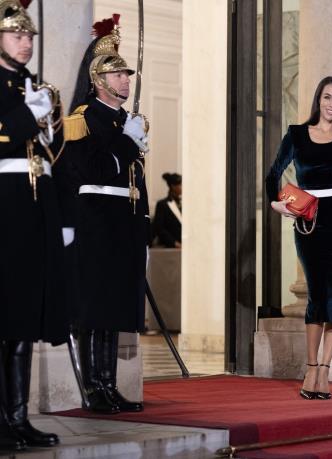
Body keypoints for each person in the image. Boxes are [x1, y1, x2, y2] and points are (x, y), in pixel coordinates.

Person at [63, 14, 149, 413]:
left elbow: (137, 180)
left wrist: (144, 223)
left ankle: (110, 384)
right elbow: (94, 170)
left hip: (124, 221)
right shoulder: (83, 119)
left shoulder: (125, 120)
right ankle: (94, 387)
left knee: (115, 306)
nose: (125, 81)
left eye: (127, 75)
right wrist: (129, 143)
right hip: (96, 220)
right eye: (117, 75)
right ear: (99, 80)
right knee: (95, 307)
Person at [266, 76, 332, 400]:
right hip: (309, 221)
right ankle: (309, 367)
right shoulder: (296, 134)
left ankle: (324, 371)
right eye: (327, 97)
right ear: (318, 99)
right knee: (316, 295)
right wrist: (276, 203)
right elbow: (273, 174)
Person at [0, 0, 67, 449]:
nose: (25, 43)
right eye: (16, 35)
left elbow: (52, 154)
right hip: (4, 204)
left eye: (29, 37)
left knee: (23, 317)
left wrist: (48, 121)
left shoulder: (34, 86)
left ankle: (18, 418)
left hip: (34, 205)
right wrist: (29, 115)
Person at [153, 172, 182, 248]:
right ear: (173, 186)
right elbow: (159, 228)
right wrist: (174, 243)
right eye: (180, 184)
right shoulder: (162, 204)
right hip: (170, 248)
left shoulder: (184, 203)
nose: (182, 187)